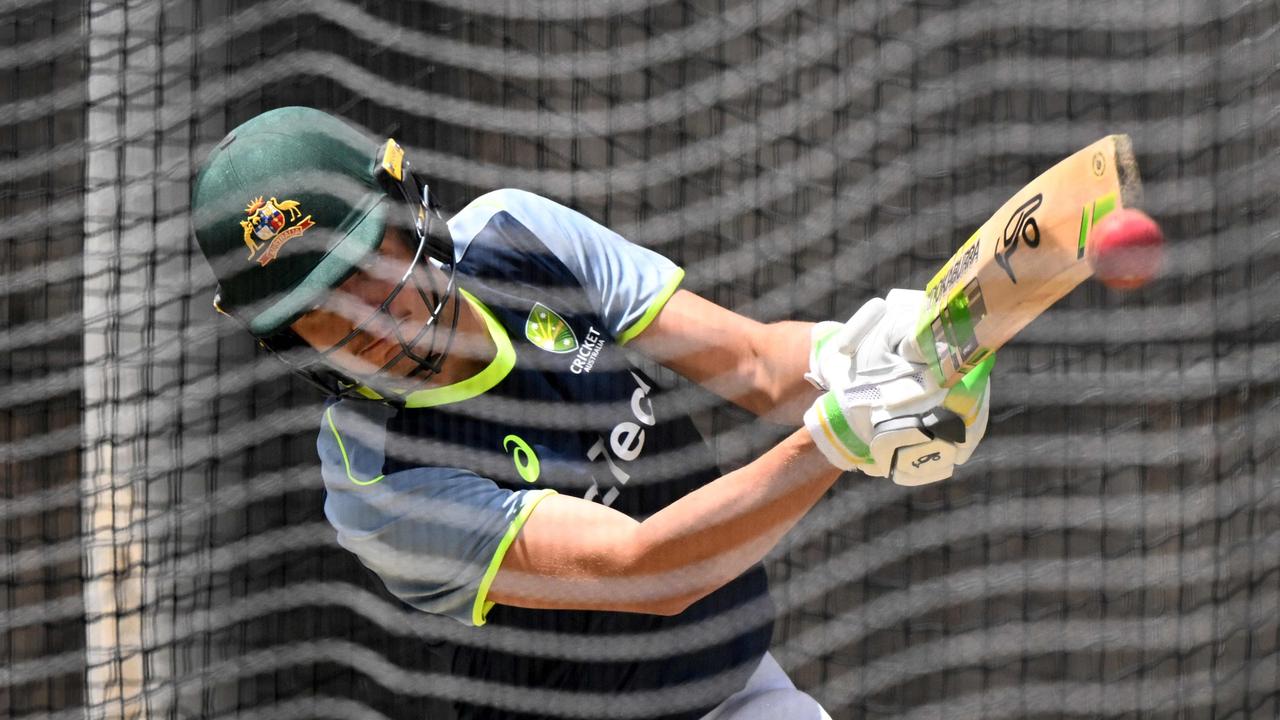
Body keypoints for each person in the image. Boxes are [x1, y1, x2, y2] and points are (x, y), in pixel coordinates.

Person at [190, 107, 992, 720]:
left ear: (409, 214)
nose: (365, 324)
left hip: (735, 685)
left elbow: (755, 365)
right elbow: (646, 570)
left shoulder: (519, 234)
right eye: (318, 313)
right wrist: (841, 439)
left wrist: (859, 355)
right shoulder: (375, 480)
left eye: (365, 269)